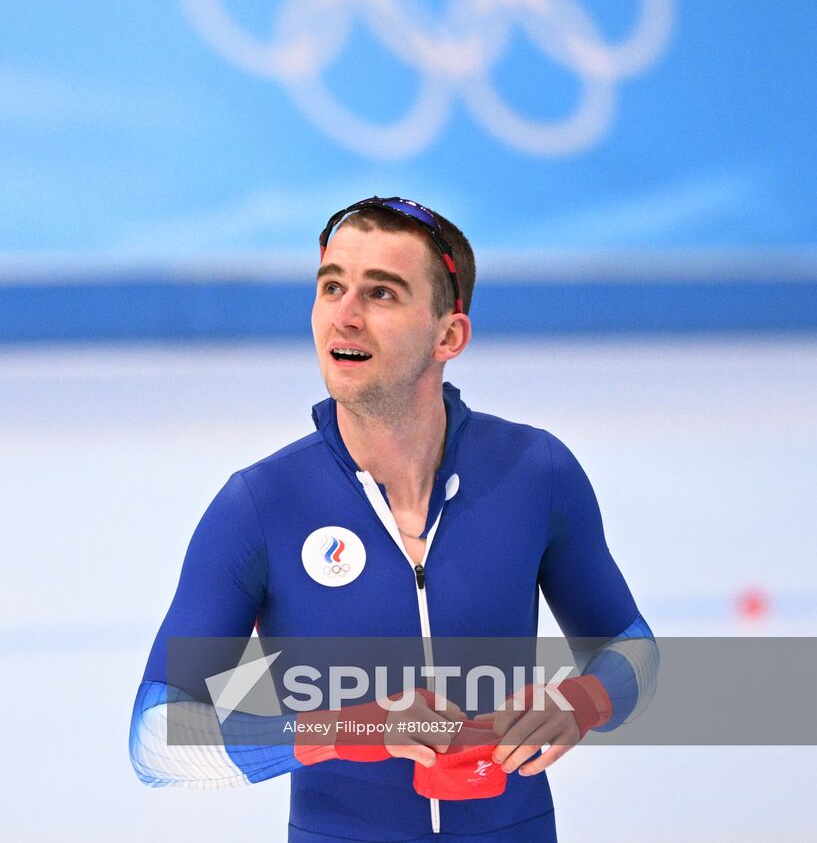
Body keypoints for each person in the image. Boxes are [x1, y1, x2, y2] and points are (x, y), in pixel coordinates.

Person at [129, 196, 657, 842]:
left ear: (448, 335)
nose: (344, 317)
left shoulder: (534, 473)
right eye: (331, 288)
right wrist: (349, 729)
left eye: (381, 293)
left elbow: (629, 649)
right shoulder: (262, 506)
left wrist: (580, 702)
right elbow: (157, 738)